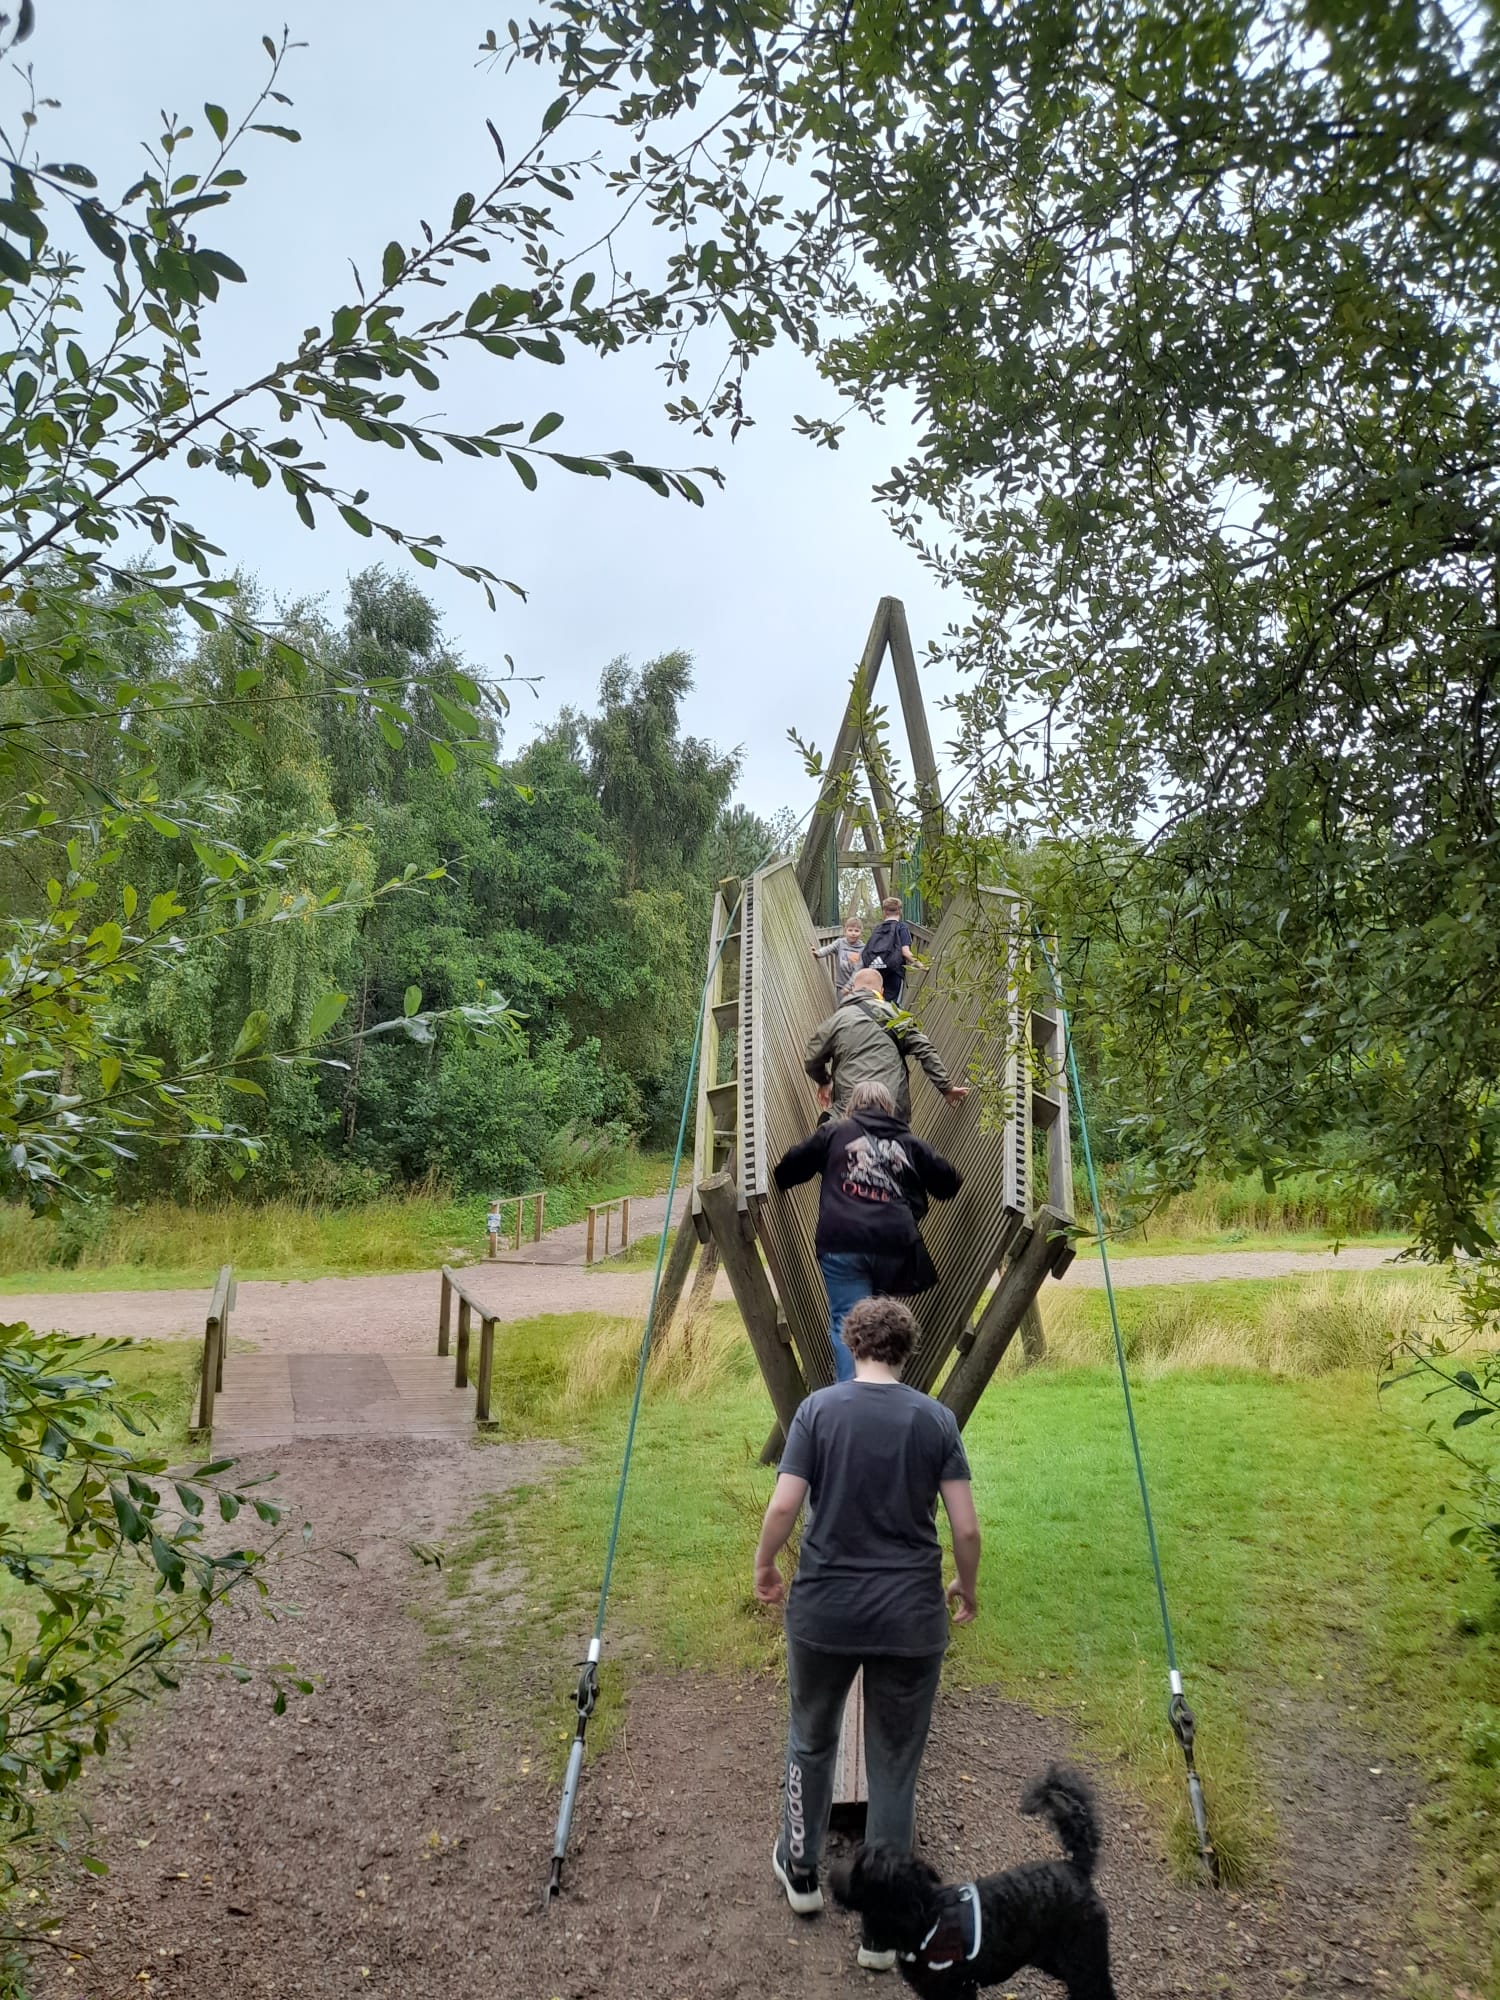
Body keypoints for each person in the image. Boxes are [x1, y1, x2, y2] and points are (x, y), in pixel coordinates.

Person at [754, 1295, 982, 1974]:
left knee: (810, 1738)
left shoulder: (817, 1411)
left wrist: (765, 1563)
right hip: (910, 1618)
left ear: (852, 1345)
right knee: (893, 1766)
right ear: (907, 1350)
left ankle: (801, 1872)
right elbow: (966, 1527)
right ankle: (881, 1930)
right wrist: (966, 1587)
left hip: (825, 1612)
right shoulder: (936, 1419)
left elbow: (784, 1505)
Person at [775, 1078, 961, 1381]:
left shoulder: (834, 1132)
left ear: (851, 1107)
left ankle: (852, 1398)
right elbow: (948, 1183)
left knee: (847, 1322)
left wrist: (784, 1178)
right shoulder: (907, 1141)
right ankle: (883, 1393)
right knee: (882, 1325)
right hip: (894, 1246)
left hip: (843, 1240)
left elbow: (792, 1166)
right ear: (889, 1109)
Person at [804, 966, 968, 1125]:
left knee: (826, 1128)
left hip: (848, 1112)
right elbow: (925, 1049)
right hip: (891, 1111)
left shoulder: (837, 1020)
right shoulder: (897, 1016)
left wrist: (824, 1081)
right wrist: (946, 1087)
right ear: (881, 991)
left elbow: (812, 1058)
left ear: (853, 989)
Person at [861, 894, 916, 1005]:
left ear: (884, 912)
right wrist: (921, 964)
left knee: (876, 1003)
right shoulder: (902, 927)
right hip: (894, 972)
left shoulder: (878, 928)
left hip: (876, 971)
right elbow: (905, 952)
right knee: (893, 1005)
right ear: (900, 912)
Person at [811, 915, 864, 1000]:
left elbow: (857, 970)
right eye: (850, 930)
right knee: (840, 1005)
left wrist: (849, 986)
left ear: (861, 932)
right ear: (845, 931)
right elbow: (829, 948)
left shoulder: (862, 949)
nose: (853, 933)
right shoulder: (840, 943)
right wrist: (818, 953)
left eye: (856, 931)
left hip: (855, 986)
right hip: (840, 985)